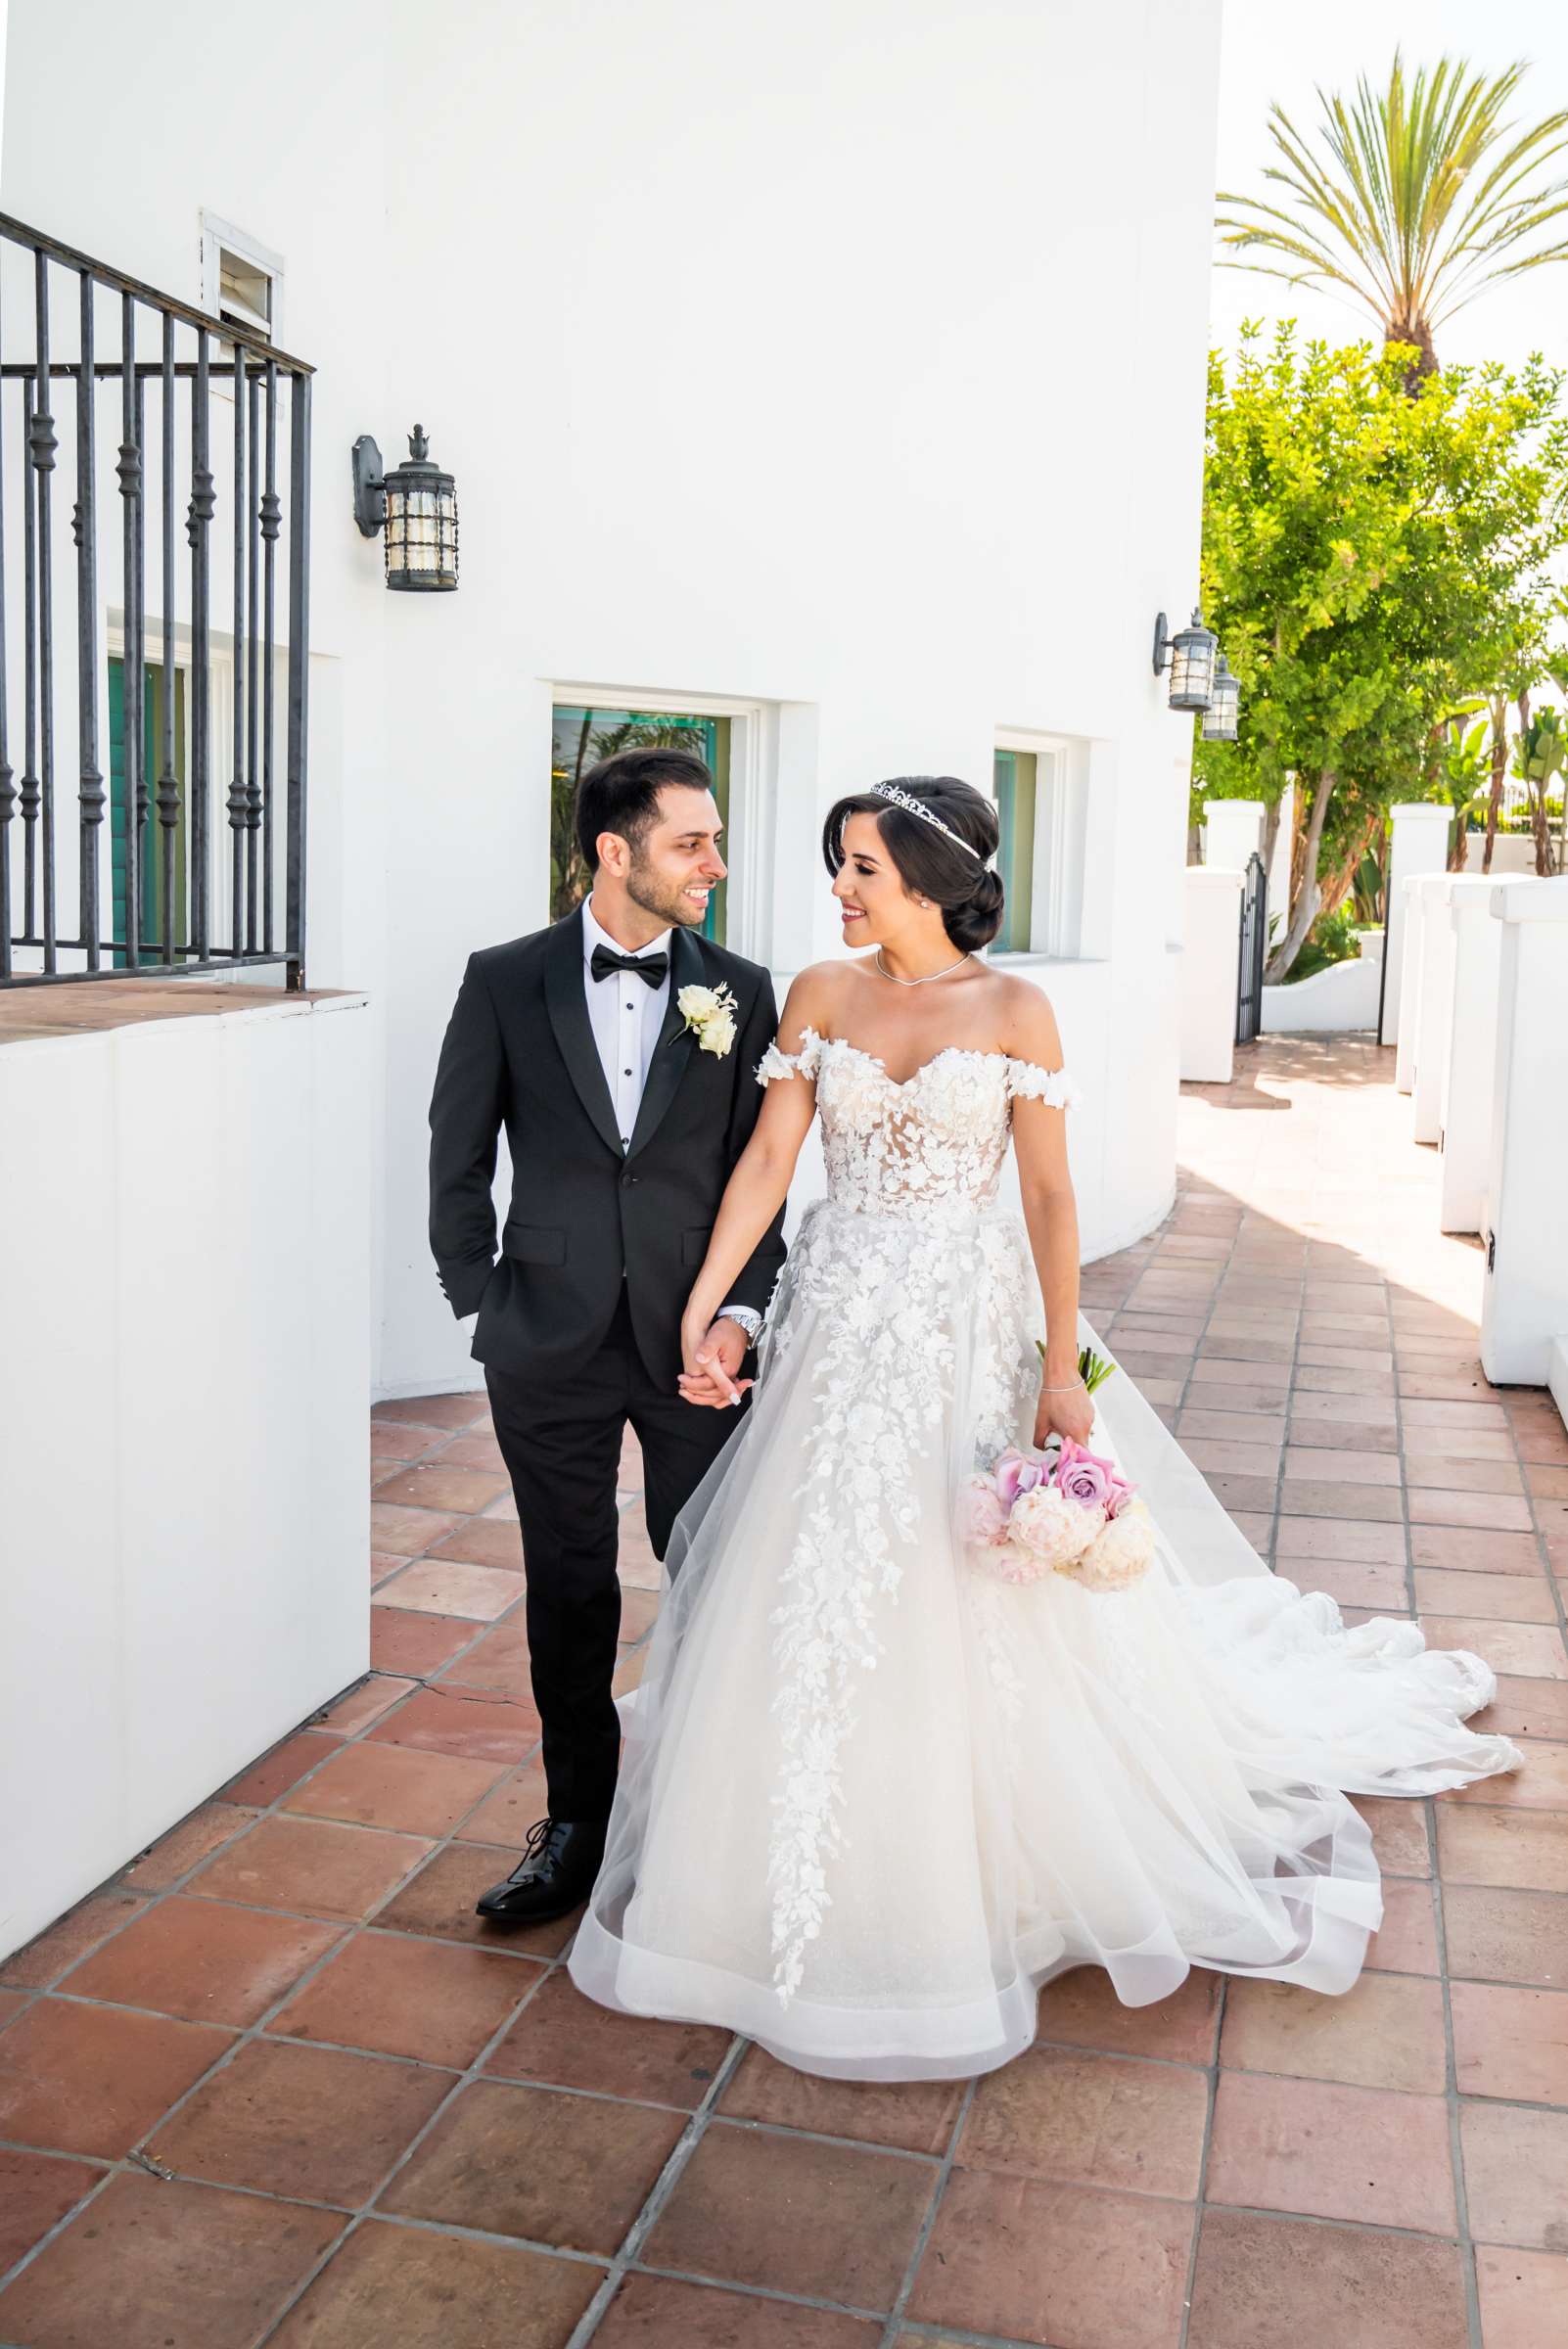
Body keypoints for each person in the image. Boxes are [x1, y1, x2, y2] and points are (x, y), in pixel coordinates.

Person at [567, 773, 1520, 2080]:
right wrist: (704, 1307)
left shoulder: (1017, 1010)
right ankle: (788, 1857)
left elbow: (1050, 1199)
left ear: (929, 885)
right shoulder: (819, 994)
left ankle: (974, 1857)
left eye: (858, 868)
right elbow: (772, 1161)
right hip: (838, 1331)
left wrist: (1061, 1370)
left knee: (961, 1578)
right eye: (836, 864)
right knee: (824, 1571)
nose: (836, 889)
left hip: (963, 1327)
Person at [428, 746, 785, 1928]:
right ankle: (575, 1828)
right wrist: (482, 1298)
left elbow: (762, 1182)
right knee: (569, 1586)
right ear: (614, 851)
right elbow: (458, 1153)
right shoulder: (504, 979)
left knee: (713, 1574)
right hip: (548, 1343)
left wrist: (739, 1316)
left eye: (716, 839)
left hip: (697, 1349)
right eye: (693, 843)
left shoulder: (740, 989)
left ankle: (700, 1823)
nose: (715, 866)